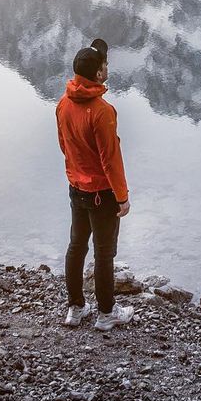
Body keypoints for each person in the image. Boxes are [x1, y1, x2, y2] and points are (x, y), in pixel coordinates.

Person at [55, 37, 134, 330]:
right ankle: (106, 313)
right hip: (103, 193)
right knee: (104, 253)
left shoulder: (63, 105)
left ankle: (75, 308)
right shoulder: (102, 111)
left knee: (77, 246)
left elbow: (65, 145)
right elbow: (111, 160)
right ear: (99, 74)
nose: (108, 66)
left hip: (77, 187)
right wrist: (122, 197)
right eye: (105, 64)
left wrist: (77, 174)